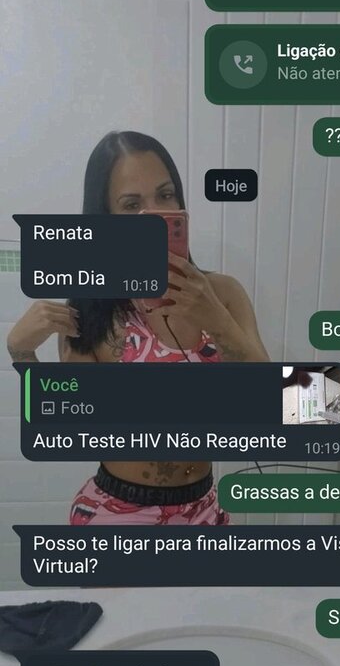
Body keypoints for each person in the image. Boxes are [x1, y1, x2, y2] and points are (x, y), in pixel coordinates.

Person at [7, 131, 269, 525]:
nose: (155, 215)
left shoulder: (224, 294)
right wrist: (22, 353)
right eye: (132, 205)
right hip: (118, 513)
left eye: (166, 195)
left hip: (204, 509)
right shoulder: (90, 308)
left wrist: (215, 319)